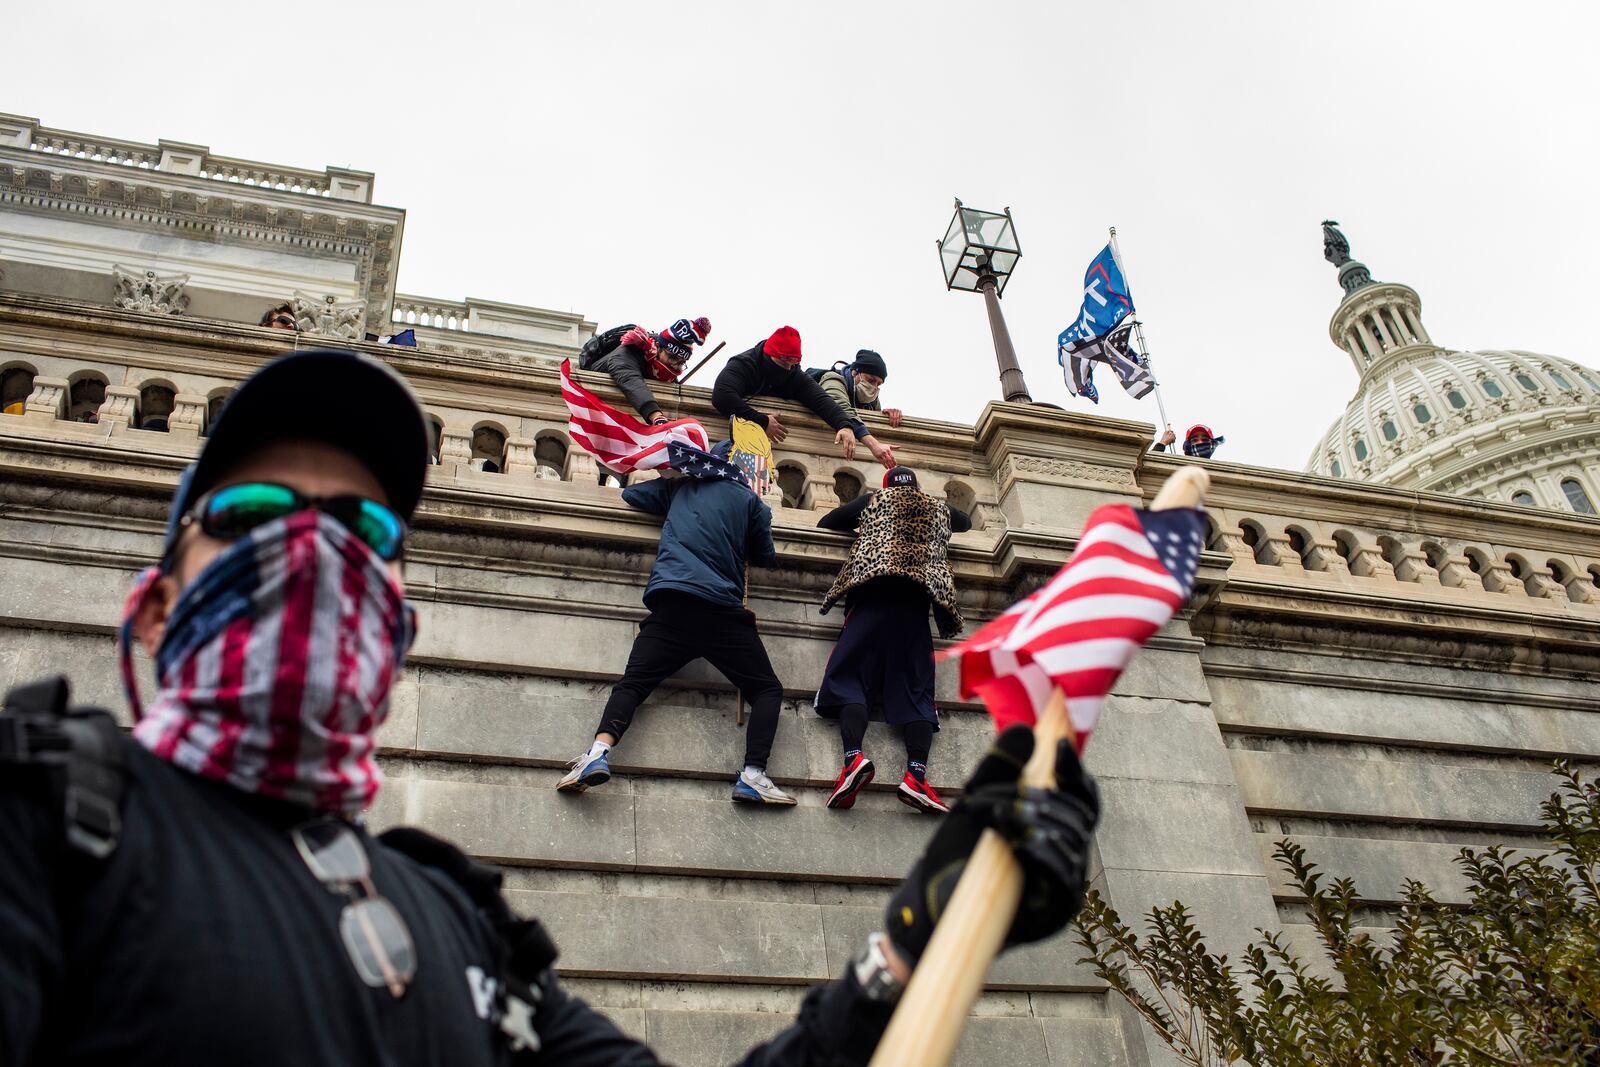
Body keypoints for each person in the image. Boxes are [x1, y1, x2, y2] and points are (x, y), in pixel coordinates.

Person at [0, 346, 1103, 1065]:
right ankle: (730, 758)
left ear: (399, 621)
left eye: (366, 531)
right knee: (752, 690)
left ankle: (615, 745)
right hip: (713, 606)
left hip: (680, 603)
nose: (314, 550)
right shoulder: (39, 823)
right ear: (148, 610)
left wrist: (912, 938)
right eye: (249, 512)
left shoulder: (456, 926)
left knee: (654, 684)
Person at [557, 440, 792, 806]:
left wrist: (676, 485)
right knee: (766, 690)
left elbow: (633, 496)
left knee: (632, 684)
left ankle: (597, 753)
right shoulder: (750, 502)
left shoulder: (680, 488)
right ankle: (753, 775)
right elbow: (766, 556)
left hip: (672, 604)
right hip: (720, 612)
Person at [813, 467, 969, 815]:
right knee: (917, 693)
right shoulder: (937, 508)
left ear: (885, 488)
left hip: (870, 603)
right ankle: (916, 776)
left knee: (850, 679)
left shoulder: (874, 500)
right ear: (917, 487)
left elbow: (829, 521)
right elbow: (966, 523)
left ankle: (853, 759)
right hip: (914, 611)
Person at [712, 327, 895, 467]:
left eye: (794, 363)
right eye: (784, 361)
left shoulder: (794, 375)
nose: (788, 368)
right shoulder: (745, 364)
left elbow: (824, 402)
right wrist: (762, 421)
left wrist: (844, 425)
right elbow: (722, 396)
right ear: (771, 355)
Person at [578, 317, 711, 426]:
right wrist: (656, 415)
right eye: (672, 357)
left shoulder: (667, 372)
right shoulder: (630, 350)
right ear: (658, 346)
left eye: (681, 362)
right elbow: (629, 377)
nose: (675, 365)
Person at [808, 350, 903, 429]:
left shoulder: (872, 402)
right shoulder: (833, 379)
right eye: (870, 380)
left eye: (878, 384)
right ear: (855, 373)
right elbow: (841, 411)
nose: (874, 387)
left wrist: (887, 415)